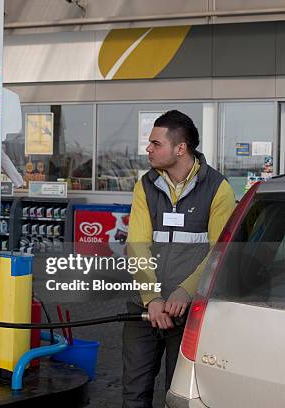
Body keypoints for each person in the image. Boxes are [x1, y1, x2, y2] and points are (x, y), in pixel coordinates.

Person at [122, 110, 235, 407]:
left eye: (155, 143)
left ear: (180, 148)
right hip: (143, 309)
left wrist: (185, 291)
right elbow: (136, 245)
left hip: (188, 311)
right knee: (134, 393)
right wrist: (152, 298)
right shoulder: (144, 185)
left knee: (181, 395)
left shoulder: (218, 188)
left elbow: (218, 251)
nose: (148, 149)